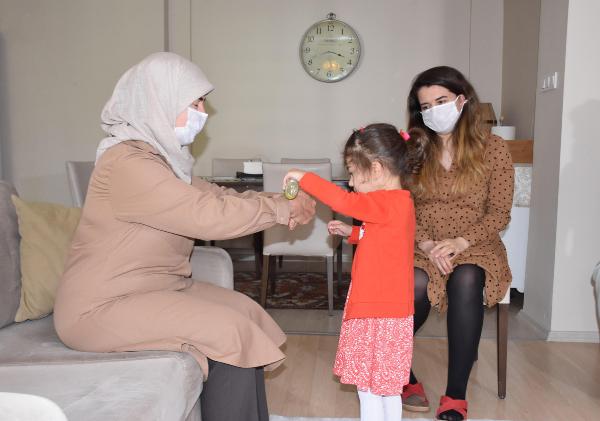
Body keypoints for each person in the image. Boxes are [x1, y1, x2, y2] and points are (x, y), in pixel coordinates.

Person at [53, 52, 316, 421]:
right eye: (194, 103)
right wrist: (281, 210)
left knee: (246, 312)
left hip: (156, 288)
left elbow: (218, 196)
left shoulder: (163, 161)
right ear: (157, 101)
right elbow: (204, 215)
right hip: (100, 306)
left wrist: (281, 200)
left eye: (202, 102)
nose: (202, 113)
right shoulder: (127, 163)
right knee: (229, 331)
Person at [284, 123, 428, 421]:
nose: (350, 182)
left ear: (376, 169)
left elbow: (343, 201)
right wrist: (352, 233)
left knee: (368, 388)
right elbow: (386, 241)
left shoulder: (383, 201)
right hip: (391, 311)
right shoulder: (400, 202)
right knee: (387, 387)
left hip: (375, 310)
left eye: (352, 173)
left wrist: (304, 178)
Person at [401, 66, 514, 421]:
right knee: (415, 282)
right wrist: (427, 244)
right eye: (426, 106)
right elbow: (404, 207)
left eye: (441, 101)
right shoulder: (412, 150)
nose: (434, 111)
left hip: (475, 241)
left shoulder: (493, 148)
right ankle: (400, 372)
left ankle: (455, 395)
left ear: (462, 100)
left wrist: (459, 242)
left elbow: (500, 213)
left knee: (467, 278)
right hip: (423, 240)